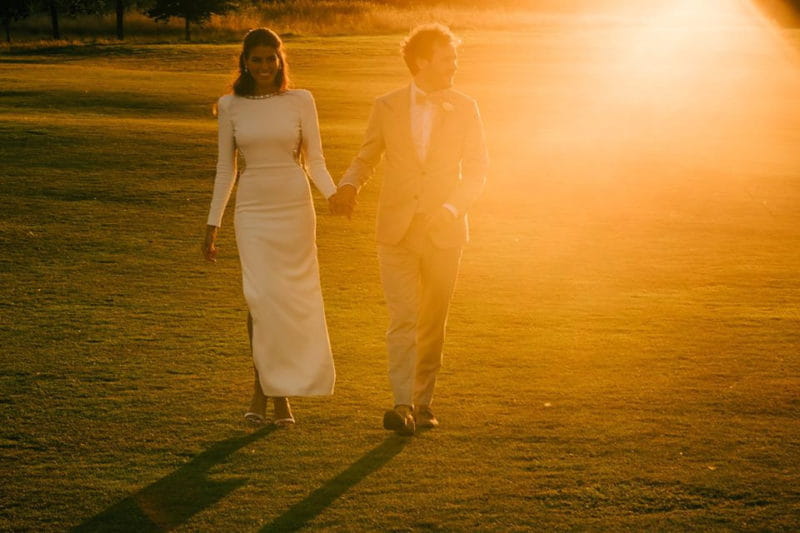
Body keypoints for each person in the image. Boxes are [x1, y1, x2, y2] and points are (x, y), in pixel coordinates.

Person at [332, 24, 489, 435]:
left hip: (444, 233)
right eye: (447, 58)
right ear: (422, 61)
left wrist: (452, 209)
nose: (454, 66)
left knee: (432, 321)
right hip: (396, 230)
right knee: (403, 317)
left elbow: (477, 171)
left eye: (454, 58)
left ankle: (424, 403)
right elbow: (366, 156)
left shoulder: (466, 106)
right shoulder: (386, 106)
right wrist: (348, 185)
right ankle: (401, 405)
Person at [203, 28, 343, 427]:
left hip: (294, 205)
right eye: (257, 59)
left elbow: (315, 161)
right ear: (245, 62)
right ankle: (264, 388)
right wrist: (212, 223)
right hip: (253, 210)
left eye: (271, 59)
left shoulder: (301, 100)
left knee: (290, 299)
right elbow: (225, 169)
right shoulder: (230, 105)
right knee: (260, 299)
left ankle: (280, 396)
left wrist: (333, 195)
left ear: (280, 61)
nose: (264, 66)